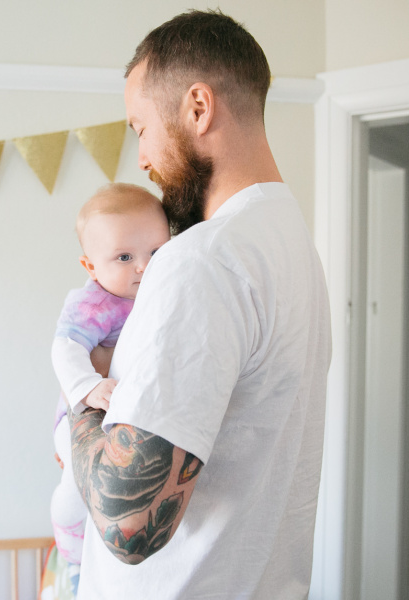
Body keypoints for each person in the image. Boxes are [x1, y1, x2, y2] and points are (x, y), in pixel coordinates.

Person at [68, 10, 331, 599]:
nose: (141, 158)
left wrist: (80, 401)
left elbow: (128, 523)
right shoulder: (292, 246)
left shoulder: (202, 259)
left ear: (197, 107)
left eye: (141, 128)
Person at [50, 183, 170, 575]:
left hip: (121, 417)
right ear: (91, 267)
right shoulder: (94, 302)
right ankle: (70, 550)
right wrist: (87, 386)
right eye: (124, 257)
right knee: (78, 484)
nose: (143, 266)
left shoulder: (159, 292)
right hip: (77, 416)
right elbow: (65, 347)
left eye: (156, 251)